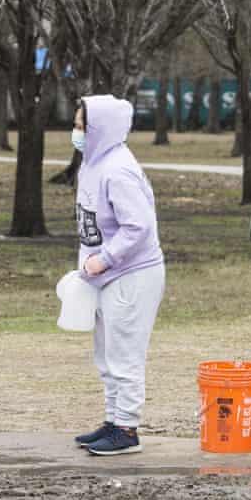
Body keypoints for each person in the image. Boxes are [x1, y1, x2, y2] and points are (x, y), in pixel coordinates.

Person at [69, 96, 165, 456]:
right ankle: (112, 420)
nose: (76, 133)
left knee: (125, 353)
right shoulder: (92, 163)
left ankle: (126, 428)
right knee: (106, 353)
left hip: (132, 274)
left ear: (100, 129)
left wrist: (105, 259)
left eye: (82, 127)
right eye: (76, 125)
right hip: (105, 275)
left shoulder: (118, 169)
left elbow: (137, 227)